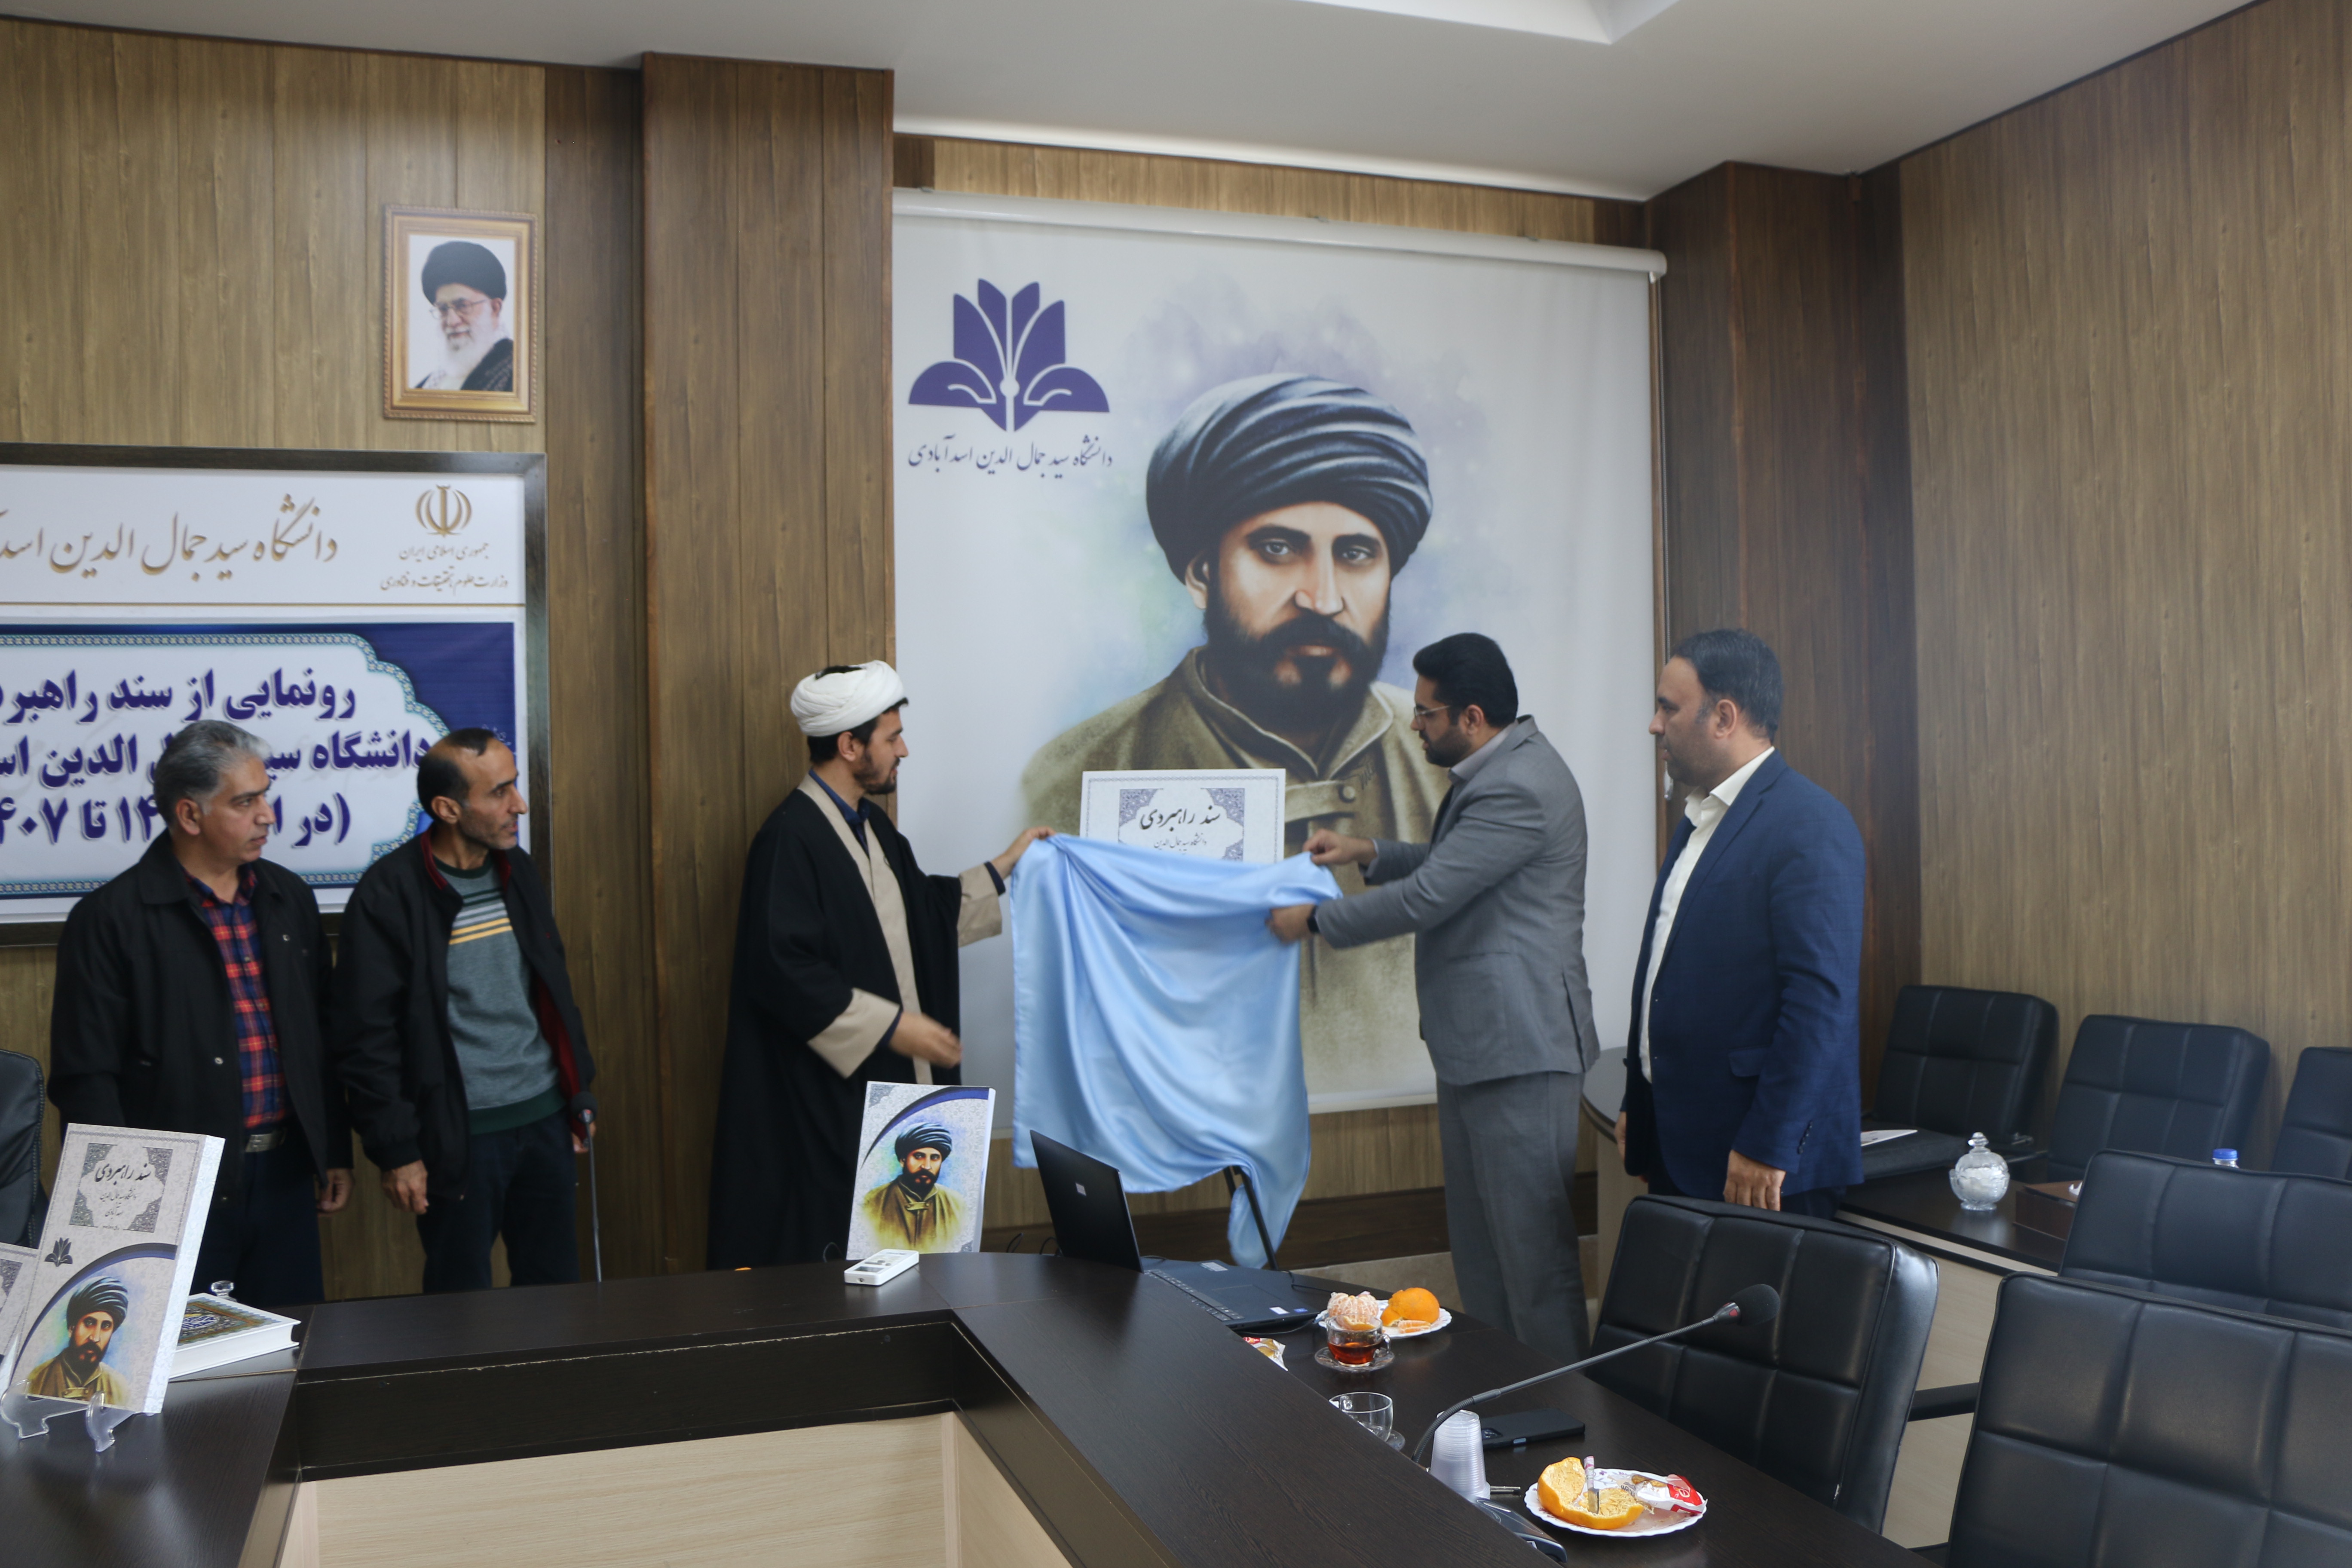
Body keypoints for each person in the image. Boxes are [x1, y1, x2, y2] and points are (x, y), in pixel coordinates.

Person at [1021, 373, 1446, 1093]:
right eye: (1278, 548)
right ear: (1200, 573)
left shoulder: (1444, 766)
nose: (1322, 598)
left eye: (1355, 554)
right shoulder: (1070, 778)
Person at [1269, 634, 1599, 1364]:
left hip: (1521, 1051)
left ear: (1472, 717)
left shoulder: (1518, 784)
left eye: (1426, 713)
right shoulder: (1498, 768)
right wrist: (1369, 852)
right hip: (1481, 1048)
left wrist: (1315, 920)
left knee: (1532, 1265)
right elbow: (1458, 864)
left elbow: (1431, 895)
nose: (1414, 724)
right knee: (1484, 1256)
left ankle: (1564, 1410)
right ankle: (1506, 1393)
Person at [707, 662, 1050, 1267]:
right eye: (893, 738)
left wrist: (1006, 865)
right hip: (823, 1101)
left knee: (909, 1259)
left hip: (883, 1089)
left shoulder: (875, 830)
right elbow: (782, 970)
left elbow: (924, 916)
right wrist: (894, 1026)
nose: (903, 751)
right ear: (850, 746)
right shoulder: (789, 839)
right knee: (839, 1254)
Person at [49, 721, 351, 1309]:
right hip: (168, 1190)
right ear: (190, 815)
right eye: (245, 802)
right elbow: (87, 1081)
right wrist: (118, 1211)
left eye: (265, 796)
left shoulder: (288, 897)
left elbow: (320, 1036)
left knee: (291, 1343)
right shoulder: (110, 918)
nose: (267, 815)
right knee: (182, 1349)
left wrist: (332, 1149)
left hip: (285, 1174)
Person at [1614, 629, 1864, 1217]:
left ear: (1724, 717)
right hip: (1679, 1140)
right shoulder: (1701, 818)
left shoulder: (1810, 823)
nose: (1655, 726)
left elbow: (1820, 1002)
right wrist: (1638, 1100)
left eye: (1668, 709)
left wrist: (1768, 1141)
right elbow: (1663, 972)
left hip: (1757, 1162)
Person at [334, 728, 594, 1292]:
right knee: (461, 1306)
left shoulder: (516, 868)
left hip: (544, 1119)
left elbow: (553, 988)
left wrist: (576, 1096)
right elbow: (367, 1038)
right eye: (499, 792)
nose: (519, 805)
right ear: (448, 809)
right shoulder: (389, 893)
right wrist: (398, 1150)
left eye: (515, 786)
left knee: (556, 1296)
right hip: (460, 1135)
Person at [413, 240, 515, 393]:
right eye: (443, 309)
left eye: (463, 306)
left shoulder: (518, 370)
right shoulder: (432, 381)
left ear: (495, 308)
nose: (452, 321)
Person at [858, 1122, 965, 1251]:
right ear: (903, 1161)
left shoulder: (956, 1204)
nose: (927, 1166)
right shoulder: (872, 1202)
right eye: (919, 1156)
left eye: (935, 1158)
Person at [24, 1277, 132, 1404]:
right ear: (72, 1328)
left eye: (106, 1326)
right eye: (89, 1323)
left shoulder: (119, 1388)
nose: (95, 1338)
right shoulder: (37, 1379)